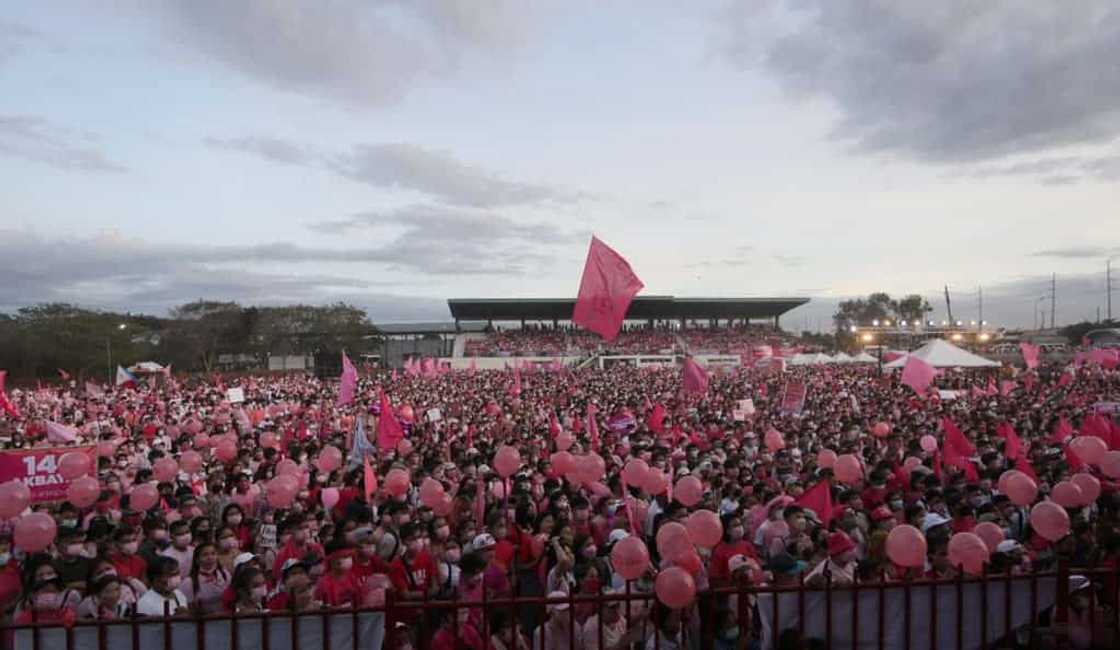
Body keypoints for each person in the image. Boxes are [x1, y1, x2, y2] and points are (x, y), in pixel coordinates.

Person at [180, 542, 230, 615]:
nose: (210, 557)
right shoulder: (189, 582)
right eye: (205, 555)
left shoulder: (224, 574)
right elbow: (186, 608)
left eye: (213, 554)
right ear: (197, 560)